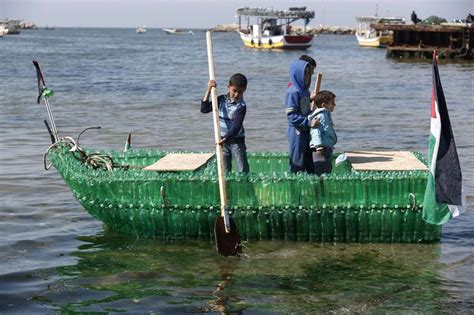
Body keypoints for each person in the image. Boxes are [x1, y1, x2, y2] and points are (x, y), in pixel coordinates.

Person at [201, 73, 249, 174]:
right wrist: (209, 89)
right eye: (234, 91)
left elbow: (236, 126)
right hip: (223, 141)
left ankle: (245, 187)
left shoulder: (241, 106)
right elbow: (204, 109)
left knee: (242, 169)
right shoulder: (221, 100)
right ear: (229, 87)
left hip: (236, 141)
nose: (236, 95)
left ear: (244, 90)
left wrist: (225, 138)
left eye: (240, 92)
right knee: (225, 170)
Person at [285, 59, 319, 173]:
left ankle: (309, 186)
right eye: (305, 73)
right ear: (297, 73)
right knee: (297, 161)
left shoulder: (305, 91)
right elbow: (291, 115)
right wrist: (308, 122)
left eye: (309, 73)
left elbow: (304, 109)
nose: (307, 76)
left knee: (308, 160)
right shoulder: (293, 92)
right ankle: (295, 187)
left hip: (305, 130)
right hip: (296, 132)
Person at [308, 90, 337, 176]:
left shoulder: (326, 115)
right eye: (332, 102)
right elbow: (315, 130)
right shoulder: (321, 116)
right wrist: (319, 146)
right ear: (324, 105)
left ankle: (323, 187)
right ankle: (320, 188)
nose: (335, 104)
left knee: (327, 169)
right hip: (321, 149)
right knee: (321, 170)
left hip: (326, 147)